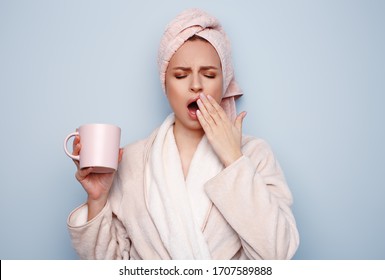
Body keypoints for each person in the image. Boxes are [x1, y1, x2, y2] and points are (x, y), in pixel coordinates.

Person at [67, 8, 299, 260]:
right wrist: (98, 199)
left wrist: (234, 160)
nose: (196, 85)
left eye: (209, 74)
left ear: (224, 82)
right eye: (180, 75)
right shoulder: (131, 161)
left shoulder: (254, 155)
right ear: (164, 84)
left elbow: (278, 255)